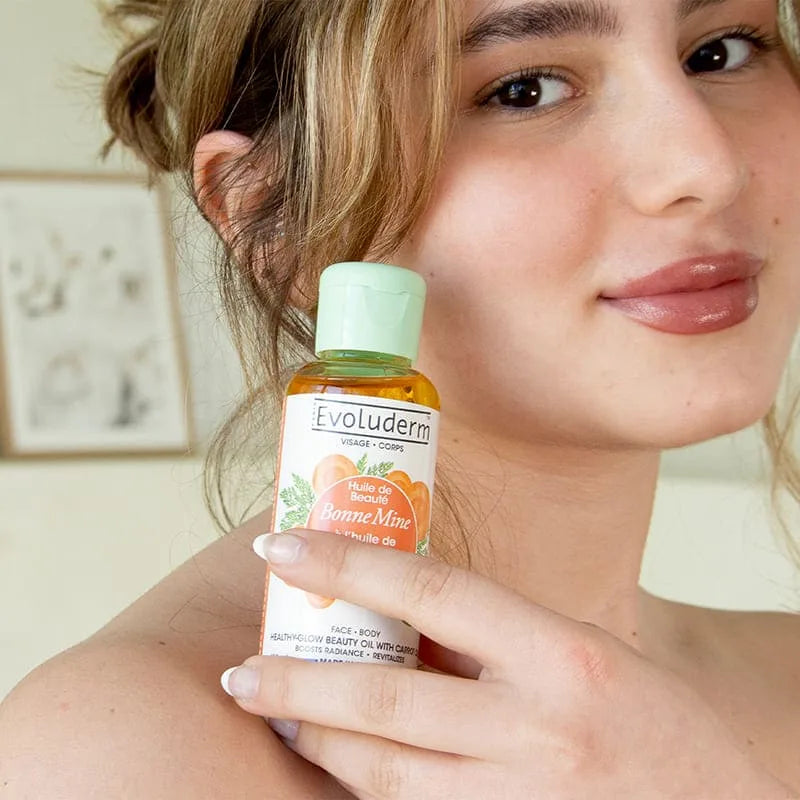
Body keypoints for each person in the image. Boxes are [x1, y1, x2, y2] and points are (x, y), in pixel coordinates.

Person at [2, 0, 800, 795]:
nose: (708, 168)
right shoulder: (120, 760)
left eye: (721, 51)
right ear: (279, 222)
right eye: (524, 90)